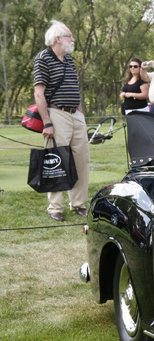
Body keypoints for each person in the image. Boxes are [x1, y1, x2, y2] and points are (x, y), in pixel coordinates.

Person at [32, 20, 91, 222]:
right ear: (58, 39)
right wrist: (47, 122)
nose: (73, 39)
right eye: (69, 36)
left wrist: (80, 112)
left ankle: (78, 203)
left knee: (82, 159)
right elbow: (39, 94)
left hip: (75, 115)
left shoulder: (69, 60)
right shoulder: (42, 59)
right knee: (56, 160)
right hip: (56, 114)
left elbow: (74, 87)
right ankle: (54, 207)